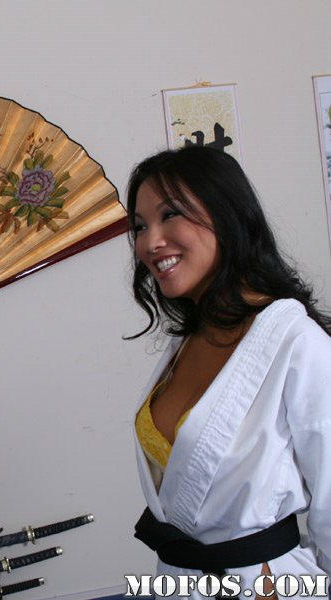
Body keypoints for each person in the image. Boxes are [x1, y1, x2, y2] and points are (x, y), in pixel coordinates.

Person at [126, 146, 331, 597]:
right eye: (140, 226)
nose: (150, 242)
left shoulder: (298, 343)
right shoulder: (186, 343)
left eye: (170, 215)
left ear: (228, 216)